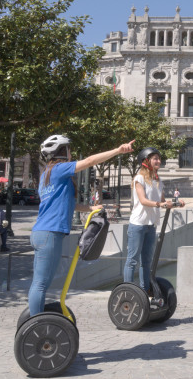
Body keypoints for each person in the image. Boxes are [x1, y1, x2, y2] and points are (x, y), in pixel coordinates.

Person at [28, 135, 134, 316]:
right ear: (62, 152)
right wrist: (118, 150)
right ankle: (35, 324)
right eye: (68, 149)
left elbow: (66, 204)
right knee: (41, 284)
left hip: (41, 233)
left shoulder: (46, 174)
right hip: (50, 234)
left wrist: (90, 207)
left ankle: (34, 321)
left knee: (38, 282)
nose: (71, 153)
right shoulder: (60, 169)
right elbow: (90, 161)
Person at [126, 148, 184, 295]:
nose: (158, 161)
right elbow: (144, 201)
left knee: (147, 261)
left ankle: (144, 291)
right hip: (138, 225)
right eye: (155, 159)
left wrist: (177, 203)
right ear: (146, 161)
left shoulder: (157, 179)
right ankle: (127, 291)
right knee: (133, 260)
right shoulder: (139, 178)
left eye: (159, 158)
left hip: (151, 225)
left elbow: (163, 201)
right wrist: (160, 204)